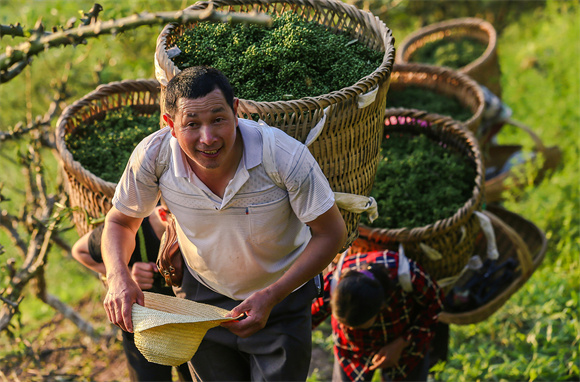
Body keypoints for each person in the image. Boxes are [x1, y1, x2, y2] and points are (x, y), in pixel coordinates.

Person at [101, 66, 348, 381]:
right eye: (191, 124)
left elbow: (331, 233)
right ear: (170, 126)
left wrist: (272, 295)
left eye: (218, 119)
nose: (208, 138)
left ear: (236, 110)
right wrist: (118, 278)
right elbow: (121, 222)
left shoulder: (283, 157)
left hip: (280, 299)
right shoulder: (154, 157)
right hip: (203, 302)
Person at [71, 205, 192, 382]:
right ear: (163, 215)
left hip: (190, 325)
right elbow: (80, 250)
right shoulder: (130, 228)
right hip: (143, 329)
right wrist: (125, 273)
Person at [311, 249, 444, 382]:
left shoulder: (408, 275)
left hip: (406, 350)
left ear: (382, 307)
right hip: (352, 352)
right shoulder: (334, 283)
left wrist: (402, 342)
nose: (351, 329)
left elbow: (435, 305)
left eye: (359, 326)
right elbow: (309, 317)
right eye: (346, 325)